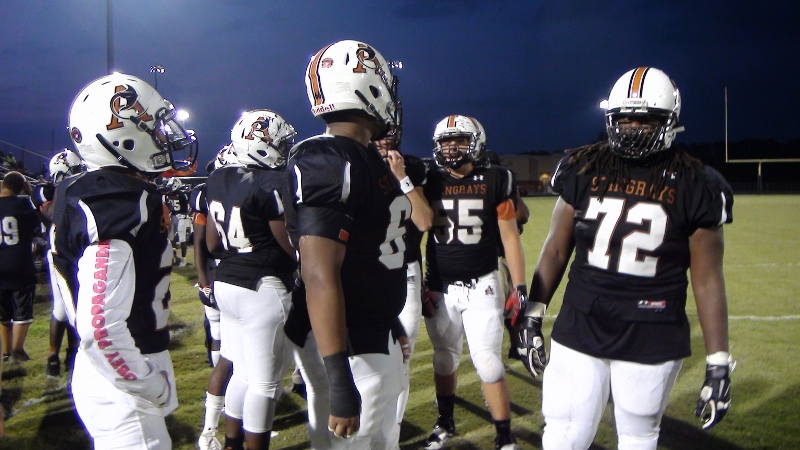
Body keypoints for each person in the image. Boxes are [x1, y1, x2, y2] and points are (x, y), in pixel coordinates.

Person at [520, 67, 735, 449]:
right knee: (563, 435)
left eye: (645, 119)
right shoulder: (584, 166)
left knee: (637, 438)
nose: (632, 128)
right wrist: (533, 313)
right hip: (581, 321)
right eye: (624, 119)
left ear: (669, 120)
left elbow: (707, 278)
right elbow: (556, 247)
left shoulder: (696, 182)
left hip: (651, 330)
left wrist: (718, 360)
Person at [52, 72, 197, 449]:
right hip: (122, 377)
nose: (164, 136)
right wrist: (146, 383)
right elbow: (99, 328)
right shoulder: (116, 201)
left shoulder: (92, 190)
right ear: (121, 135)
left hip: (114, 369)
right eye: (154, 127)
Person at [284, 39, 408, 449]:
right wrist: (339, 381)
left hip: (371, 333)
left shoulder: (362, 155)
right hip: (352, 347)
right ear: (368, 87)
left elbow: (369, 254)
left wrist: (390, 322)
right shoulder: (329, 157)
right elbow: (319, 273)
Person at [420, 115, 525, 450]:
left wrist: (520, 287)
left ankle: (504, 434)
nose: (451, 147)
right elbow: (413, 231)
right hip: (439, 285)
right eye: (445, 141)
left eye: (460, 140)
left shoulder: (496, 178)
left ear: (476, 142)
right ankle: (445, 421)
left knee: (489, 362)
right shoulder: (429, 179)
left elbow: (510, 236)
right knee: (444, 358)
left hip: (483, 283)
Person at [205, 109, 298, 450]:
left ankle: (232, 444)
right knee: (265, 383)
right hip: (262, 288)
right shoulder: (271, 184)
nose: (285, 149)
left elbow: (212, 243)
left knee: (241, 373)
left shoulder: (218, 178)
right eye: (281, 143)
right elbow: (288, 244)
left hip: (227, 282)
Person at [373, 126, 434, 449]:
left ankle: (390, 439)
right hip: (365, 272)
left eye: (387, 133)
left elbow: (424, 221)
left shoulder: (411, 166)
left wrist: (401, 177)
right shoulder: (355, 164)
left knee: (401, 359)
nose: (382, 140)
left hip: (405, 271)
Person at [35, 150, 86, 379]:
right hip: (59, 255)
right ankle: (53, 357)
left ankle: (71, 352)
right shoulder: (49, 192)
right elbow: (51, 212)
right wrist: (62, 190)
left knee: (78, 306)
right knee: (62, 309)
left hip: (77, 253)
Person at [0, 171, 39, 364]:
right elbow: (37, 223)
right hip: (20, 264)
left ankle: (6, 352)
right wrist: (30, 193)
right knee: (22, 311)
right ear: (22, 187)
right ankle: (17, 350)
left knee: (3, 314)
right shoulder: (23, 205)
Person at [160, 177, 191, 267]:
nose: (169, 187)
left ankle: (184, 259)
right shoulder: (170, 194)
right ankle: (173, 256)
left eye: (171, 186)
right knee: (171, 237)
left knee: (182, 239)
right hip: (174, 216)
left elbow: (179, 197)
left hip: (182, 217)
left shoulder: (182, 193)